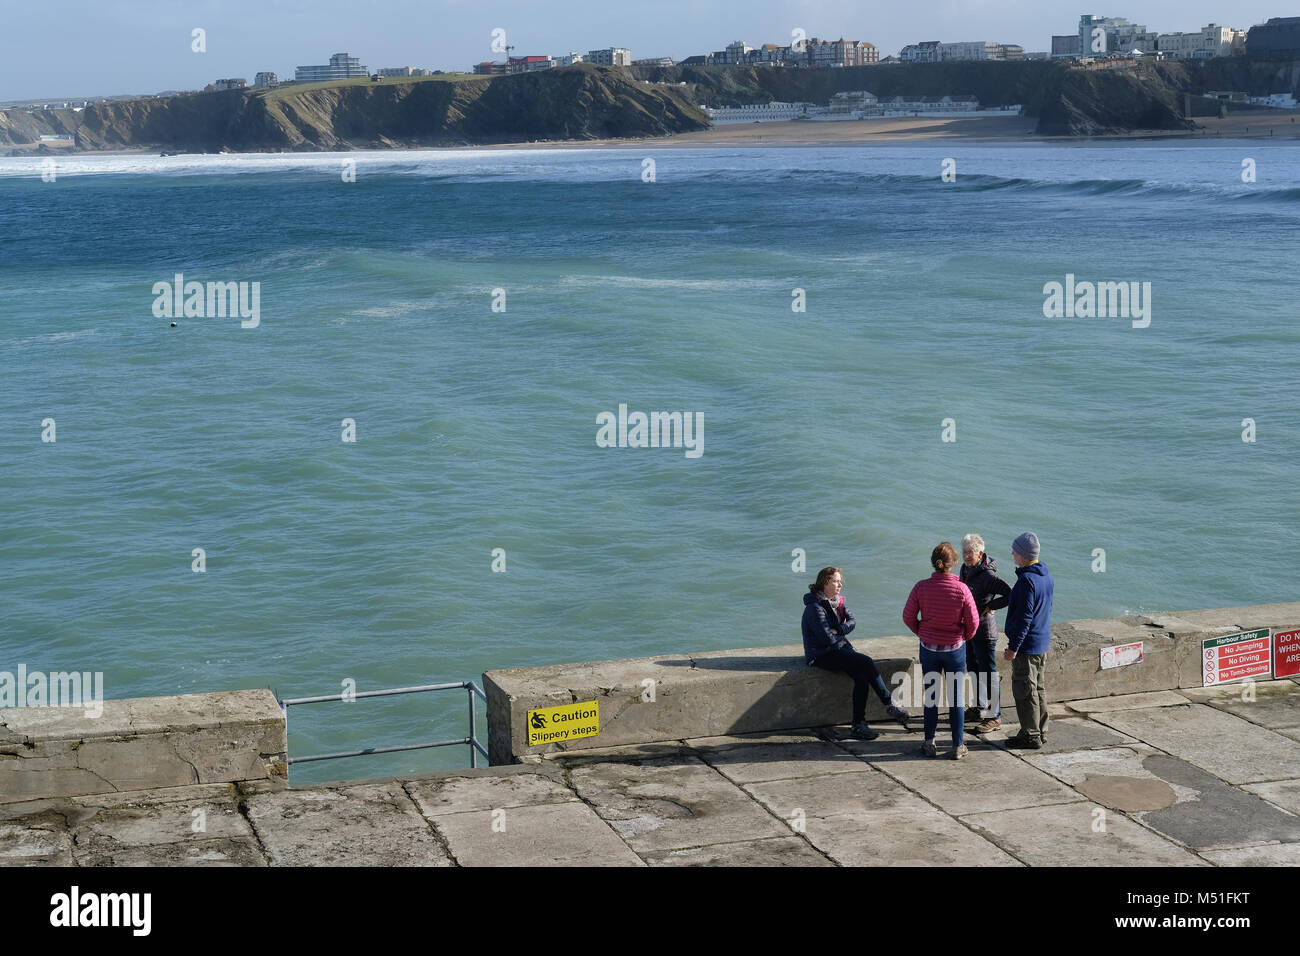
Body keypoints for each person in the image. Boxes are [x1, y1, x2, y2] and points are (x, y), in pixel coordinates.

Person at [803, 566, 910, 741]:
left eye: (840, 581)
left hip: (838, 649)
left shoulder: (837, 602)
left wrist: (838, 629)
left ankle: (858, 725)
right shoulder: (814, 608)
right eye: (836, 581)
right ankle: (889, 704)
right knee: (866, 661)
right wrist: (837, 635)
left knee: (861, 676)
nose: (840, 585)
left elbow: (852, 622)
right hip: (820, 655)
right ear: (825, 582)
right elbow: (825, 639)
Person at [902, 542, 980, 759]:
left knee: (931, 697)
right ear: (953, 564)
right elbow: (973, 621)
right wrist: (964, 635)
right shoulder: (962, 589)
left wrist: (922, 632)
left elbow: (908, 616)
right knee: (956, 698)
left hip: (929, 649)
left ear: (934, 563)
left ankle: (929, 743)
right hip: (954, 649)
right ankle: (957, 746)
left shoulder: (921, 587)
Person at [1002, 533, 1054, 749]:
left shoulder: (1026, 581)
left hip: (1027, 646)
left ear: (1023, 555)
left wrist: (1013, 647)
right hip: (1041, 641)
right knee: (1038, 689)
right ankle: (1041, 730)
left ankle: (1030, 735)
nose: (1012, 553)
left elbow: (1024, 619)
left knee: (1025, 691)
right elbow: (1046, 610)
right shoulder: (1046, 576)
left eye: (1015, 550)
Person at [959, 534, 1012, 735]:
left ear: (980, 553)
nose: (965, 556)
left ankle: (995, 716)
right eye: (964, 552)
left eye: (969, 552)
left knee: (988, 673)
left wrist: (991, 605)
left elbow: (1010, 594)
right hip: (969, 629)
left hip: (985, 631)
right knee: (972, 668)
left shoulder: (988, 576)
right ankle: (978, 707)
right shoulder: (966, 568)